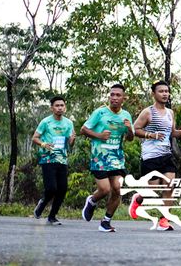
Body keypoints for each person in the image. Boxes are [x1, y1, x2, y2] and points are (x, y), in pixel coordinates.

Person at [129, 80, 181, 231]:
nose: (165, 94)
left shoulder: (170, 113)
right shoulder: (148, 112)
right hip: (150, 156)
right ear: (154, 94)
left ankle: (164, 220)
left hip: (166, 154)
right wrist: (150, 135)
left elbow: (171, 133)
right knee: (152, 189)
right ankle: (138, 199)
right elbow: (135, 129)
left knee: (170, 185)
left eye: (166, 91)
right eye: (161, 91)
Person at [80, 83, 134, 232]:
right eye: (112, 95)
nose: (114, 98)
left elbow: (130, 138)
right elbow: (83, 129)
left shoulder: (126, 115)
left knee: (117, 189)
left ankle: (106, 221)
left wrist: (129, 129)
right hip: (100, 157)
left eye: (118, 95)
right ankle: (92, 200)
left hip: (117, 158)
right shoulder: (100, 112)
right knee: (104, 189)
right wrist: (99, 135)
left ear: (123, 98)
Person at [32, 95, 75, 225]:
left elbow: (70, 143)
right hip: (48, 158)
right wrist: (43, 144)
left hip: (62, 159)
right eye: (57, 106)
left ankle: (52, 216)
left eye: (62, 105)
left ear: (65, 107)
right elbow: (35, 138)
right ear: (52, 108)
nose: (60, 108)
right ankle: (42, 204)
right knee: (51, 188)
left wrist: (72, 140)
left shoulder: (69, 123)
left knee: (62, 189)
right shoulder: (46, 122)